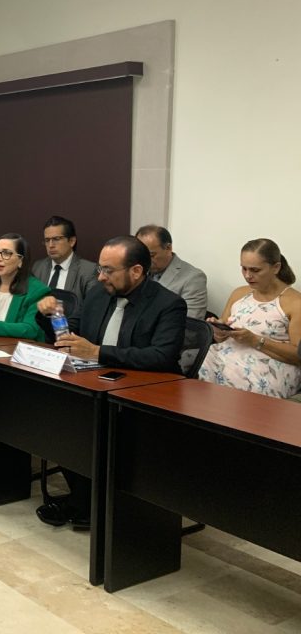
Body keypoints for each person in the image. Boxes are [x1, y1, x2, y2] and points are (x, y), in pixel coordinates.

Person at [34, 235, 186, 528]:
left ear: (136, 271)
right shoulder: (98, 294)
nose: (101, 276)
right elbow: (71, 335)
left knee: (94, 430)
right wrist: (49, 317)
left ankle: (92, 505)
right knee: (56, 420)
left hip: (145, 395)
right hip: (96, 384)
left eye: (108, 270)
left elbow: (162, 356)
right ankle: (85, 500)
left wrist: (97, 352)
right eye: (100, 269)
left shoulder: (168, 304)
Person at [198, 238, 301, 398]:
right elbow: (221, 337)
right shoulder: (239, 293)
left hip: (268, 368)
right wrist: (219, 332)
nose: (248, 275)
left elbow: (298, 355)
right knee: (193, 372)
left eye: (255, 270)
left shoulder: (295, 303)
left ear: (276, 267)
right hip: (223, 358)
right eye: (244, 268)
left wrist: (256, 340)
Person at [134, 225, 208, 319]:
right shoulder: (137, 272)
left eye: (151, 255)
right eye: (141, 255)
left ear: (168, 248)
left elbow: (190, 322)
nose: (145, 260)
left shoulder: (193, 278)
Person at [31, 216, 97, 304]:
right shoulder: (38, 267)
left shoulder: (88, 270)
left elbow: (92, 307)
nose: (50, 245)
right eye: (47, 240)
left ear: (72, 241)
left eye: (56, 239)